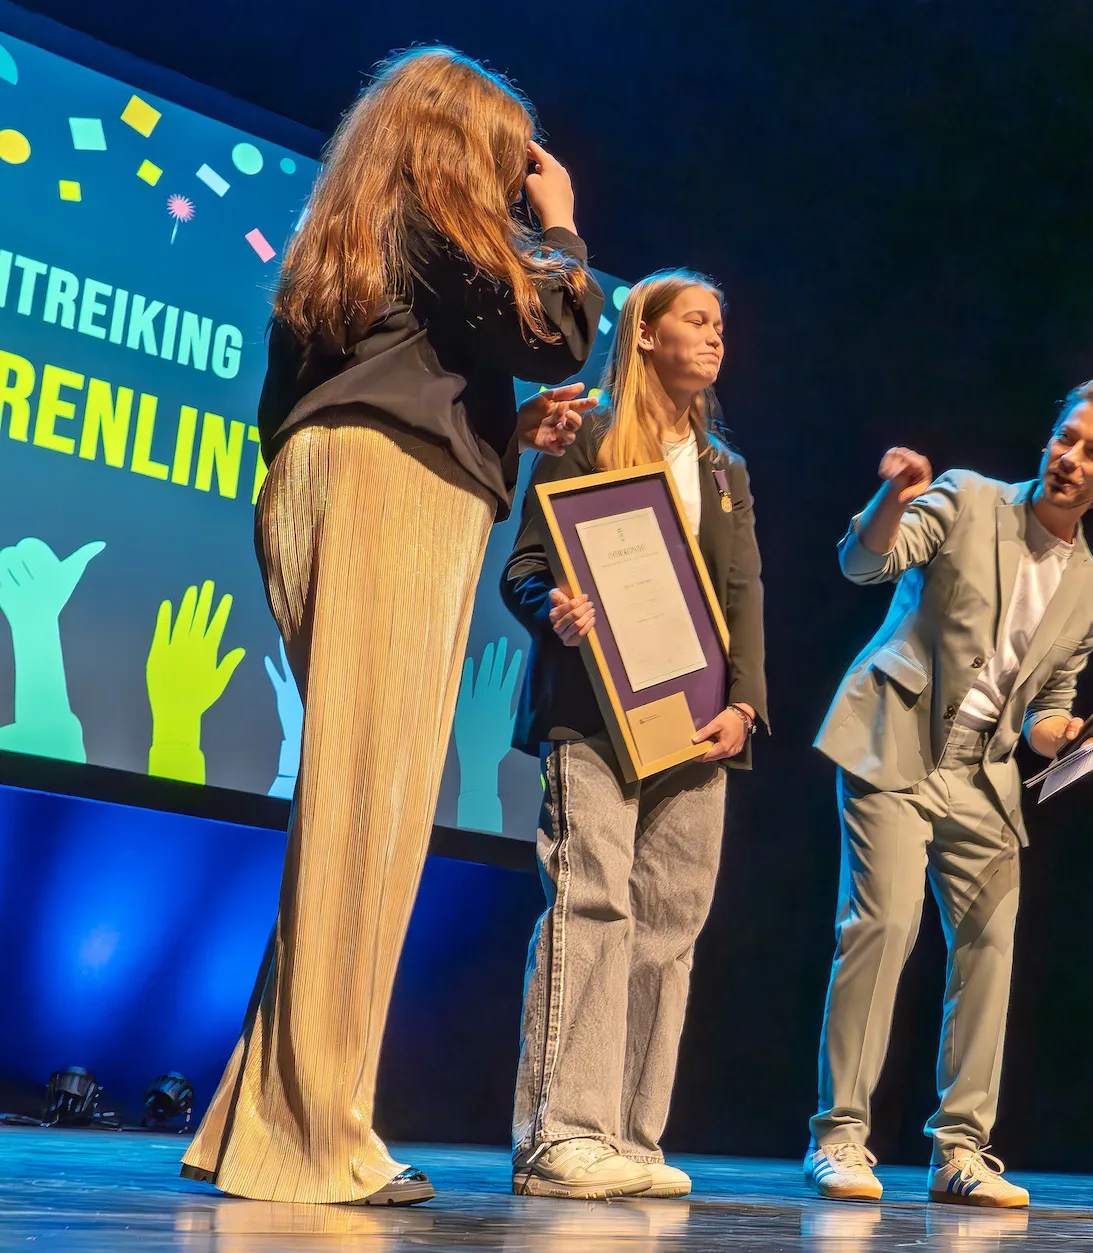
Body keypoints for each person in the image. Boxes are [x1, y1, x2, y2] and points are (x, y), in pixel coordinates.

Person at [178, 47, 599, 1205]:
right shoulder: (436, 218)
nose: (515, 182)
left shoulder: (357, 230)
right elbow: (558, 333)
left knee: (350, 810)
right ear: (455, 142)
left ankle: (254, 1123)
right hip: (390, 495)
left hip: (331, 479)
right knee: (371, 812)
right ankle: (316, 1137)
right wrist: (561, 223)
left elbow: (362, 385)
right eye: (506, 159)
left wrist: (500, 439)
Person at [804, 379, 1093, 1209]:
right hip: (896, 735)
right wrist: (893, 496)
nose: (1070, 458)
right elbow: (864, 561)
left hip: (982, 774)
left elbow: (1046, 708)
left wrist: (1068, 735)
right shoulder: (967, 497)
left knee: (991, 946)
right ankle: (839, 1135)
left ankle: (961, 1149)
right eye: (1066, 437)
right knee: (884, 924)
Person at [502, 271, 767, 1201]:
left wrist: (746, 705)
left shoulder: (725, 470)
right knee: (593, 906)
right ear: (645, 334)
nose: (716, 336)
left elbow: (742, 596)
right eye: (698, 319)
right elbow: (524, 567)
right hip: (593, 713)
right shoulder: (587, 437)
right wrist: (556, 606)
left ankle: (629, 1136)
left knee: (668, 927)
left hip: (696, 723)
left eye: (721, 323)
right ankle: (561, 1136)